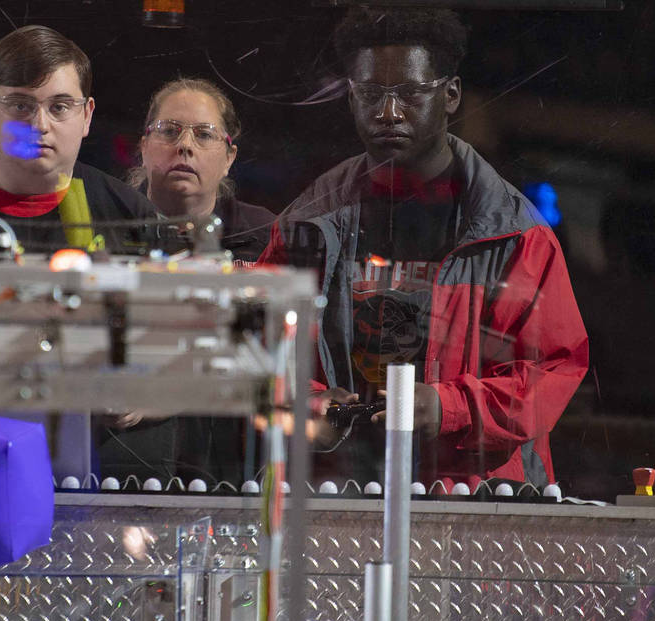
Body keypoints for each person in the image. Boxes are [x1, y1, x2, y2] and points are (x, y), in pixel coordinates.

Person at [261, 7, 588, 489]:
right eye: (371, 94)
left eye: (410, 93)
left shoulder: (516, 233)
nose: (388, 112)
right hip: (337, 491)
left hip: (475, 495)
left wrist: (448, 406)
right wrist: (311, 406)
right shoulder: (304, 225)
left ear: (450, 95)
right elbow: (258, 350)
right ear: (351, 97)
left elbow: (554, 368)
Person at [0, 25, 157, 252]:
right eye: (20, 106)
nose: (40, 125)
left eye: (59, 107)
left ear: (87, 115)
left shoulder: (131, 215)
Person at [131, 78, 275, 263]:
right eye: (169, 131)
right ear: (145, 148)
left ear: (228, 158)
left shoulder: (266, 235)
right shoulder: (108, 220)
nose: (185, 144)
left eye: (205, 134)